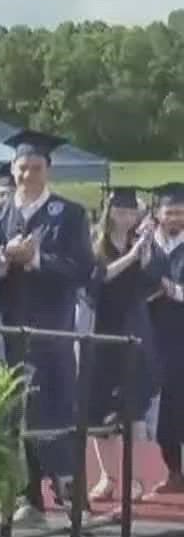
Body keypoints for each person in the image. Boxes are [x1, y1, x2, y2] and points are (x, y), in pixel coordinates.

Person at [0, 130, 96, 525]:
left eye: (36, 167)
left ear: (48, 170)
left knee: (54, 411)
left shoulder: (69, 215)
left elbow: (83, 270)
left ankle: (72, 500)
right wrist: (1, 261)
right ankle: (28, 498)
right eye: (21, 167)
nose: (28, 174)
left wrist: (36, 261)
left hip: (51, 331)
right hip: (6, 328)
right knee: (12, 415)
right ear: (12, 169)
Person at [82, 187, 163, 503]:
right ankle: (108, 476)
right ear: (109, 211)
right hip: (101, 335)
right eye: (120, 209)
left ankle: (137, 480)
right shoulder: (95, 245)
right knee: (97, 414)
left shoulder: (143, 244)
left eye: (131, 211)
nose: (125, 216)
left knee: (134, 414)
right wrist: (131, 257)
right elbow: (97, 279)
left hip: (134, 336)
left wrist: (145, 253)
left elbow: (155, 281)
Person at [145, 182, 184, 493]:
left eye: (181, 213)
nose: (175, 218)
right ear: (158, 214)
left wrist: (174, 291)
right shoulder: (145, 245)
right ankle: (173, 472)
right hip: (151, 336)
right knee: (161, 409)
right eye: (170, 212)